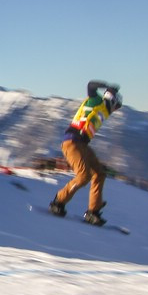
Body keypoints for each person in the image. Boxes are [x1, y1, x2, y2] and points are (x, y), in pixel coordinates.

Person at [49, 81, 123, 226]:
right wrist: (107, 86)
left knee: (99, 173)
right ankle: (58, 202)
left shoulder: (105, 111)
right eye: (117, 106)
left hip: (82, 144)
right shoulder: (96, 101)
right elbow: (91, 86)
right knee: (84, 176)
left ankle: (93, 212)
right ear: (112, 101)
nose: (116, 110)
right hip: (72, 143)